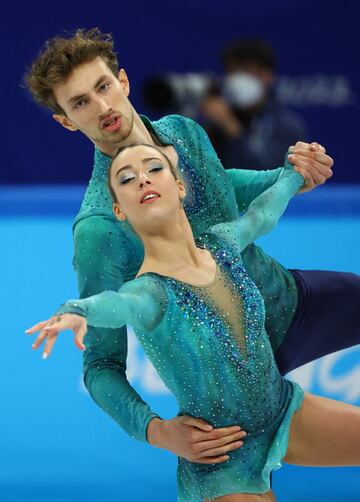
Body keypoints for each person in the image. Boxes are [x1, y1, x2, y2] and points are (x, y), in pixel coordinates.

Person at [25, 28, 357, 465]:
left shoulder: (184, 130)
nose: (102, 107)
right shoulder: (100, 228)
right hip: (224, 391)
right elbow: (101, 364)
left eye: (103, 87)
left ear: (122, 81)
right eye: (80, 102)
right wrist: (156, 430)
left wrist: (290, 175)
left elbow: (225, 186)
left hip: (285, 303)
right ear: (65, 120)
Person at [26, 143, 360, 502]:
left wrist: (296, 172)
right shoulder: (150, 292)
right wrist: (76, 310)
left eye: (154, 169)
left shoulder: (222, 243)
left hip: (284, 412)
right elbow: (116, 304)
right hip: (219, 456)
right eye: (126, 178)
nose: (142, 179)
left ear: (179, 187)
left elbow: (262, 215)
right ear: (119, 210)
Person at [201, 39, 309, 170]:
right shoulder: (212, 121)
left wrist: (230, 128)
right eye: (233, 72)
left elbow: (270, 174)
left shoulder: (287, 126)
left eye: (246, 70)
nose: (238, 79)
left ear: (267, 75)